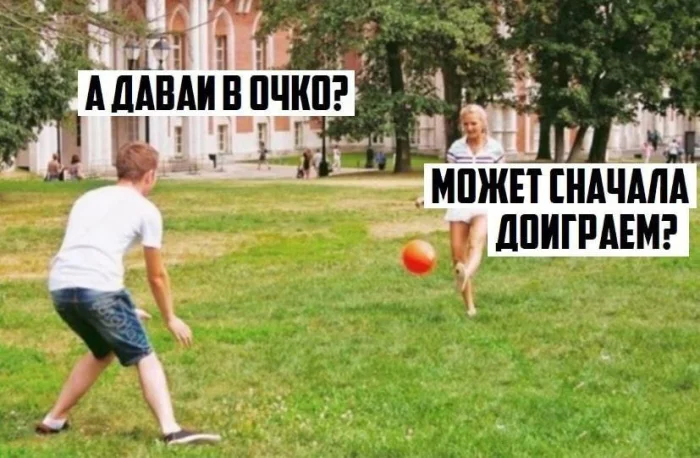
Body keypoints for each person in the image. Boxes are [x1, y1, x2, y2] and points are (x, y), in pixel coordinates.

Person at [36, 141, 221, 446]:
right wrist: (170, 317)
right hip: (98, 291)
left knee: (102, 351)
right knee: (144, 354)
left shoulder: (87, 198)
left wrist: (121, 311)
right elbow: (156, 276)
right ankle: (171, 429)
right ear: (150, 175)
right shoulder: (146, 210)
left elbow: (84, 252)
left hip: (61, 288)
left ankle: (54, 419)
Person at [416, 104, 505, 317]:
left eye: (473, 123)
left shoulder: (495, 149)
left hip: (484, 203)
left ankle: (467, 274)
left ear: (483, 123)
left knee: (476, 243)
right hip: (460, 204)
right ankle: (470, 307)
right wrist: (427, 197)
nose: (470, 127)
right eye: (466, 124)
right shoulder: (456, 148)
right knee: (458, 258)